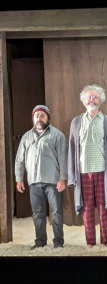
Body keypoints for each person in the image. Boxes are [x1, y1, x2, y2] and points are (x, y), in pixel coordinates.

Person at [68, 84, 107, 248]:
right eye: (89, 97)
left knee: (105, 210)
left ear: (101, 100)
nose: (92, 99)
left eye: (95, 97)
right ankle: (90, 242)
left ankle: (105, 242)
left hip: (102, 172)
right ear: (84, 100)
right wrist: (72, 175)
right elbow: (71, 149)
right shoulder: (76, 122)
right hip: (83, 172)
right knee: (87, 210)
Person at [15, 105, 67, 249]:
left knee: (56, 213)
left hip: (53, 182)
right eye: (36, 115)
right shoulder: (26, 137)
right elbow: (19, 159)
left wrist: (63, 179)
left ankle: (58, 243)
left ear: (48, 118)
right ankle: (40, 242)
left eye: (42, 115)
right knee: (38, 214)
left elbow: (63, 159)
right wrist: (19, 178)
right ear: (33, 118)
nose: (39, 118)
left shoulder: (58, 135)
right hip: (34, 182)